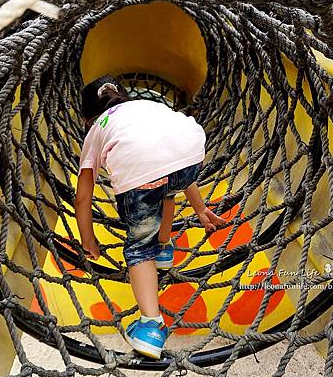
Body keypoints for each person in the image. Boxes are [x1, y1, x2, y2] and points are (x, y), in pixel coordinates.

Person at [75, 75, 226, 359]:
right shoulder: (147, 108)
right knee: (165, 184)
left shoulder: (96, 130)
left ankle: (151, 325)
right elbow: (169, 160)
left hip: (142, 176)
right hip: (191, 155)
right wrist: (200, 208)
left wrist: (88, 240)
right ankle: (165, 245)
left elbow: (83, 196)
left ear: (87, 118)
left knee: (139, 247)